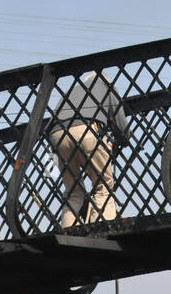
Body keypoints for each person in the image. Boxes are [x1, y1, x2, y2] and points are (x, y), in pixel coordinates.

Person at [46, 72, 130, 227]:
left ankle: (67, 231)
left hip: (56, 136)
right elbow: (121, 125)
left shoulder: (71, 91)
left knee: (73, 191)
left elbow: (50, 124)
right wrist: (120, 141)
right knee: (103, 186)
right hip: (87, 130)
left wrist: (53, 160)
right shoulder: (108, 87)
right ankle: (102, 229)